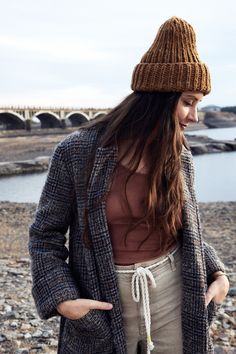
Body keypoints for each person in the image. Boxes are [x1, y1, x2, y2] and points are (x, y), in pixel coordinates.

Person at [29, 16, 230, 354]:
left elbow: (187, 228)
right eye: (188, 101)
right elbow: (44, 236)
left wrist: (217, 272)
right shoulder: (77, 153)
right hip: (103, 301)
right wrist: (63, 299)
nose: (195, 116)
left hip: (174, 294)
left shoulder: (177, 153)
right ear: (159, 98)